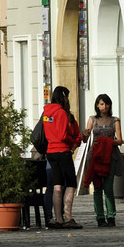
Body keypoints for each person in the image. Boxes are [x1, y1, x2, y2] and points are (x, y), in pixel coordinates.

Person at [40, 85, 83, 229]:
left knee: (57, 185)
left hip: (50, 151)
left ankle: (58, 218)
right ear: (63, 96)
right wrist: (74, 141)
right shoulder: (62, 113)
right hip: (62, 151)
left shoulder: (46, 112)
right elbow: (63, 135)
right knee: (71, 184)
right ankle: (68, 217)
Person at [82, 94, 122, 227]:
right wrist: (85, 134)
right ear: (97, 106)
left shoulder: (115, 120)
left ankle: (111, 216)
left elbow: (119, 140)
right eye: (101, 104)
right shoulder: (92, 119)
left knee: (108, 187)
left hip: (111, 156)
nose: (104, 107)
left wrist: (108, 142)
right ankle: (100, 217)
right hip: (95, 157)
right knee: (97, 187)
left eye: (106, 104)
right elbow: (85, 137)